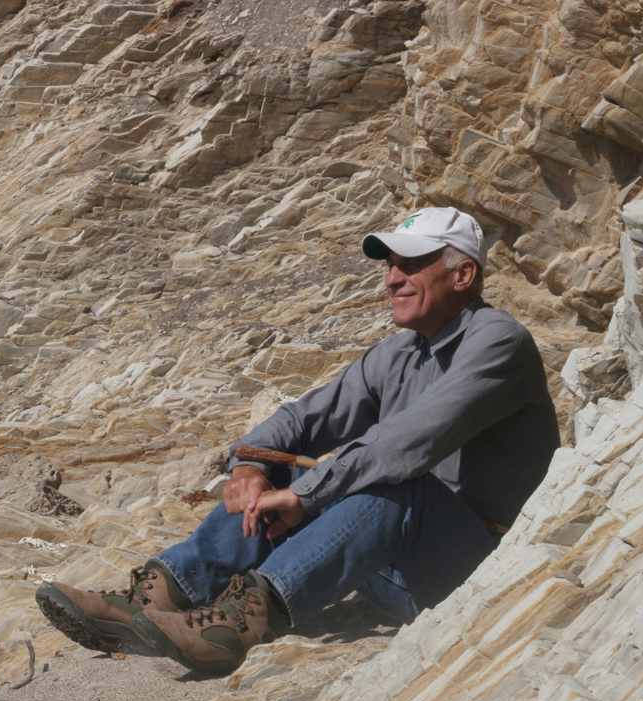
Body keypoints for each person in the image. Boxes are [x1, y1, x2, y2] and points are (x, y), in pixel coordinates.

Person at [37, 207, 560, 675]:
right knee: (283, 470)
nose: (392, 279)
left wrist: (307, 497)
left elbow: (404, 447)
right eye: (390, 266)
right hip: (388, 563)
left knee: (396, 486)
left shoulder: (497, 342)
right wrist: (250, 465)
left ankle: (239, 624)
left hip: (475, 567)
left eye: (411, 265)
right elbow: (301, 421)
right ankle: (159, 599)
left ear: (463, 273)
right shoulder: (400, 353)